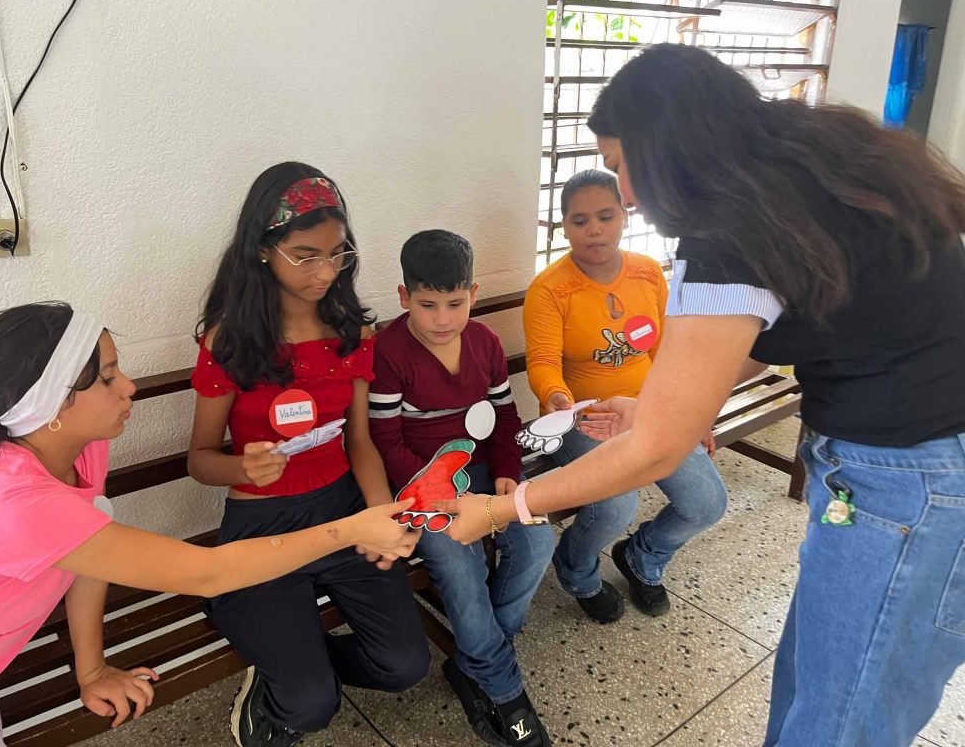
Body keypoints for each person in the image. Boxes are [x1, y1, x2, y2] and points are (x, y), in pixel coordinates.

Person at [440, 43, 965, 747]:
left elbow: (656, 447)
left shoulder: (726, 230)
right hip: (912, 471)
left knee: (841, 719)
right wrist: (666, 404)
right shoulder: (801, 172)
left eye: (622, 167)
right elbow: (752, 340)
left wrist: (503, 508)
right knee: (819, 685)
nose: (626, 196)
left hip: (912, 483)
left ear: (664, 146)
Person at [0, 302, 420, 747]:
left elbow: (88, 553)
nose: (128, 386)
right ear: (53, 404)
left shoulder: (76, 445)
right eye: (108, 377)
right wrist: (351, 530)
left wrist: (92, 671)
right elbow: (208, 573)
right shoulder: (14, 501)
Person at [187, 162, 430, 747]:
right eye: (305, 256)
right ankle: (292, 674)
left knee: (405, 665)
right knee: (311, 707)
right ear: (262, 249)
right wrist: (242, 467)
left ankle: (294, 663)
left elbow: (359, 442)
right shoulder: (231, 341)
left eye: (337, 254)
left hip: (343, 508)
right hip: (261, 525)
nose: (325, 272)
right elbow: (199, 459)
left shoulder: (352, 334)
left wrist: (384, 515)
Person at [369, 230, 555, 747]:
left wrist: (508, 471)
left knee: (538, 541)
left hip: (483, 472)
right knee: (461, 566)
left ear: (472, 293)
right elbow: (386, 441)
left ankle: (480, 657)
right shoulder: (388, 352)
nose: (443, 319)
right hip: (420, 485)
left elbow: (504, 416)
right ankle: (503, 687)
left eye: (455, 304)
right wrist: (442, 496)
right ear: (404, 298)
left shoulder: (485, 343)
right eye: (427, 305)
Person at [524, 169, 726, 622]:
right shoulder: (550, 289)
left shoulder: (647, 273)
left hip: (652, 411)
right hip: (585, 418)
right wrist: (555, 396)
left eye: (605, 216)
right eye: (579, 221)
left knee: (707, 503)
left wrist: (691, 415)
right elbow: (543, 362)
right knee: (616, 502)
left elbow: (666, 350)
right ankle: (576, 570)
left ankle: (642, 555)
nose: (594, 229)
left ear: (624, 216)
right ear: (564, 227)